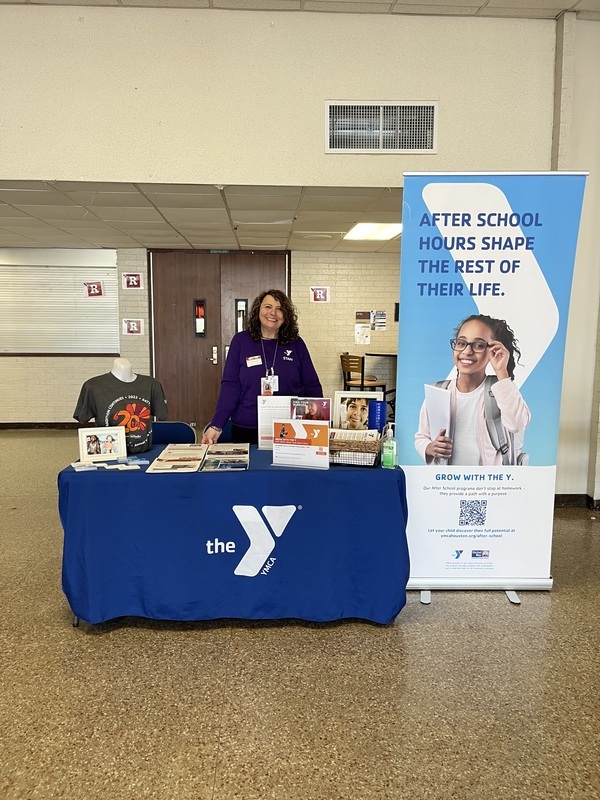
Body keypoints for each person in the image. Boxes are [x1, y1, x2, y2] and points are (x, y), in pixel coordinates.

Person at [202, 290, 323, 445]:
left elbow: (312, 386)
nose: (273, 313)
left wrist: (320, 422)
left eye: (279, 309)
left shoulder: (296, 344)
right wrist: (217, 425)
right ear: (258, 310)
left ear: (286, 315)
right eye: (268, 307)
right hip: (246, 427)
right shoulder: (241, 341)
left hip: (291, 428)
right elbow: (230, 386)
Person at [415, 314, 531, 466]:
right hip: (448, 480)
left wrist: (502, 372)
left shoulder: (502, 390)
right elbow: (421, 437)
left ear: (493, 350)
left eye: (479, 345)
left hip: (491, 480)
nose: (467, 351)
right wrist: (430, 448)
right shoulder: (438, 392)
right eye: (461, 343)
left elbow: (517, 424)